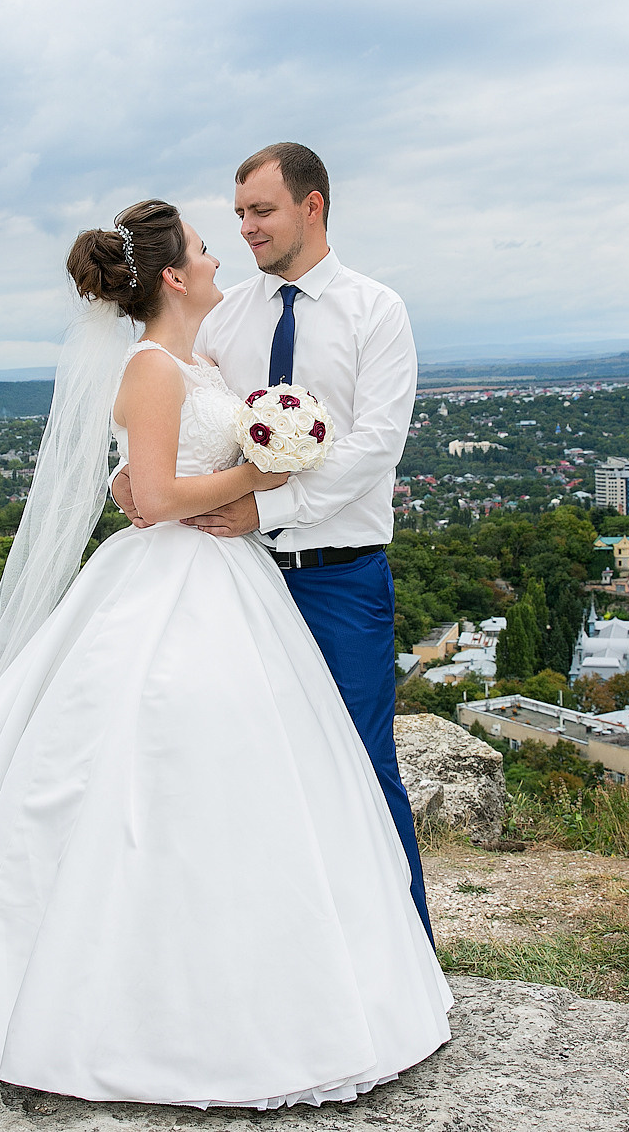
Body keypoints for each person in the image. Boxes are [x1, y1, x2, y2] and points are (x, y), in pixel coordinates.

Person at [0, 198, 451, 1109]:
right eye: (203, 243)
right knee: (142, 766)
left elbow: (141, 475)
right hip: (174, 577)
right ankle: (126, 1000)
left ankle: (296, 970)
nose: (220, 250)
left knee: (262, 775)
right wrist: (260, 475)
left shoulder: (203, 353)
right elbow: (150, 496)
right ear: (175, 277)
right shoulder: (150, 366)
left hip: (233, 576)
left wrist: (248, 460)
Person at [112, 143, 430, 938]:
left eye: (262, 211)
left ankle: (403, 952)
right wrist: (132, 479)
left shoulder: (376, 310)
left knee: (361, 763)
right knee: (257, 773)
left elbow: (375, 445)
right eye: (239, 215)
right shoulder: (226, 315)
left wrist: (270, 509)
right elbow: (181, 412)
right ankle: (291, 952)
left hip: (340, 577)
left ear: (311, 207)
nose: (247, 228)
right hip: (237, 581)